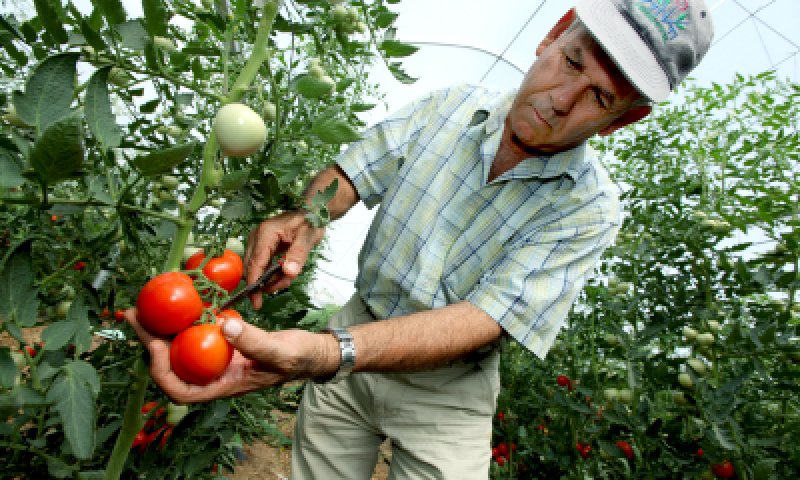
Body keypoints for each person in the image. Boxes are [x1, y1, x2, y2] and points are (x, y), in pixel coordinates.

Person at [127, 0, 714, 477]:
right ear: (554, 32)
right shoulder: (449, 107)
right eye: (573, 61)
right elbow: (356, 171)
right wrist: (308, 215)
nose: (562, 98)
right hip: (355, 331)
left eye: (601, 97)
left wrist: (332, 352)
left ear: (624, 120)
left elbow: (483, 320)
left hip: (449, 391)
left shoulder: (588, 209)